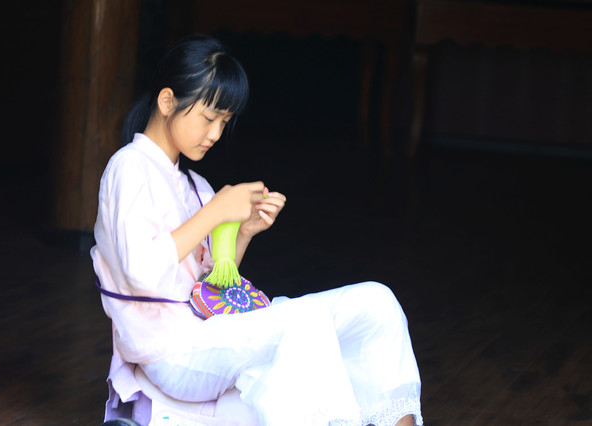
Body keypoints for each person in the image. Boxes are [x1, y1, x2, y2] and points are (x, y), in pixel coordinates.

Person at [91, 34, 423, 426]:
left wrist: (244, 231)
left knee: (376, 302)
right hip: (168, 351)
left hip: (209, 335)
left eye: (224, 122)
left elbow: (213, 285)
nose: (216, 134)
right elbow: (141, 273)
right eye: (209, 118)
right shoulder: (129, 167)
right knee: (305, 318)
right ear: (167, 102)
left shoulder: (195, 185)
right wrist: (215, 212)